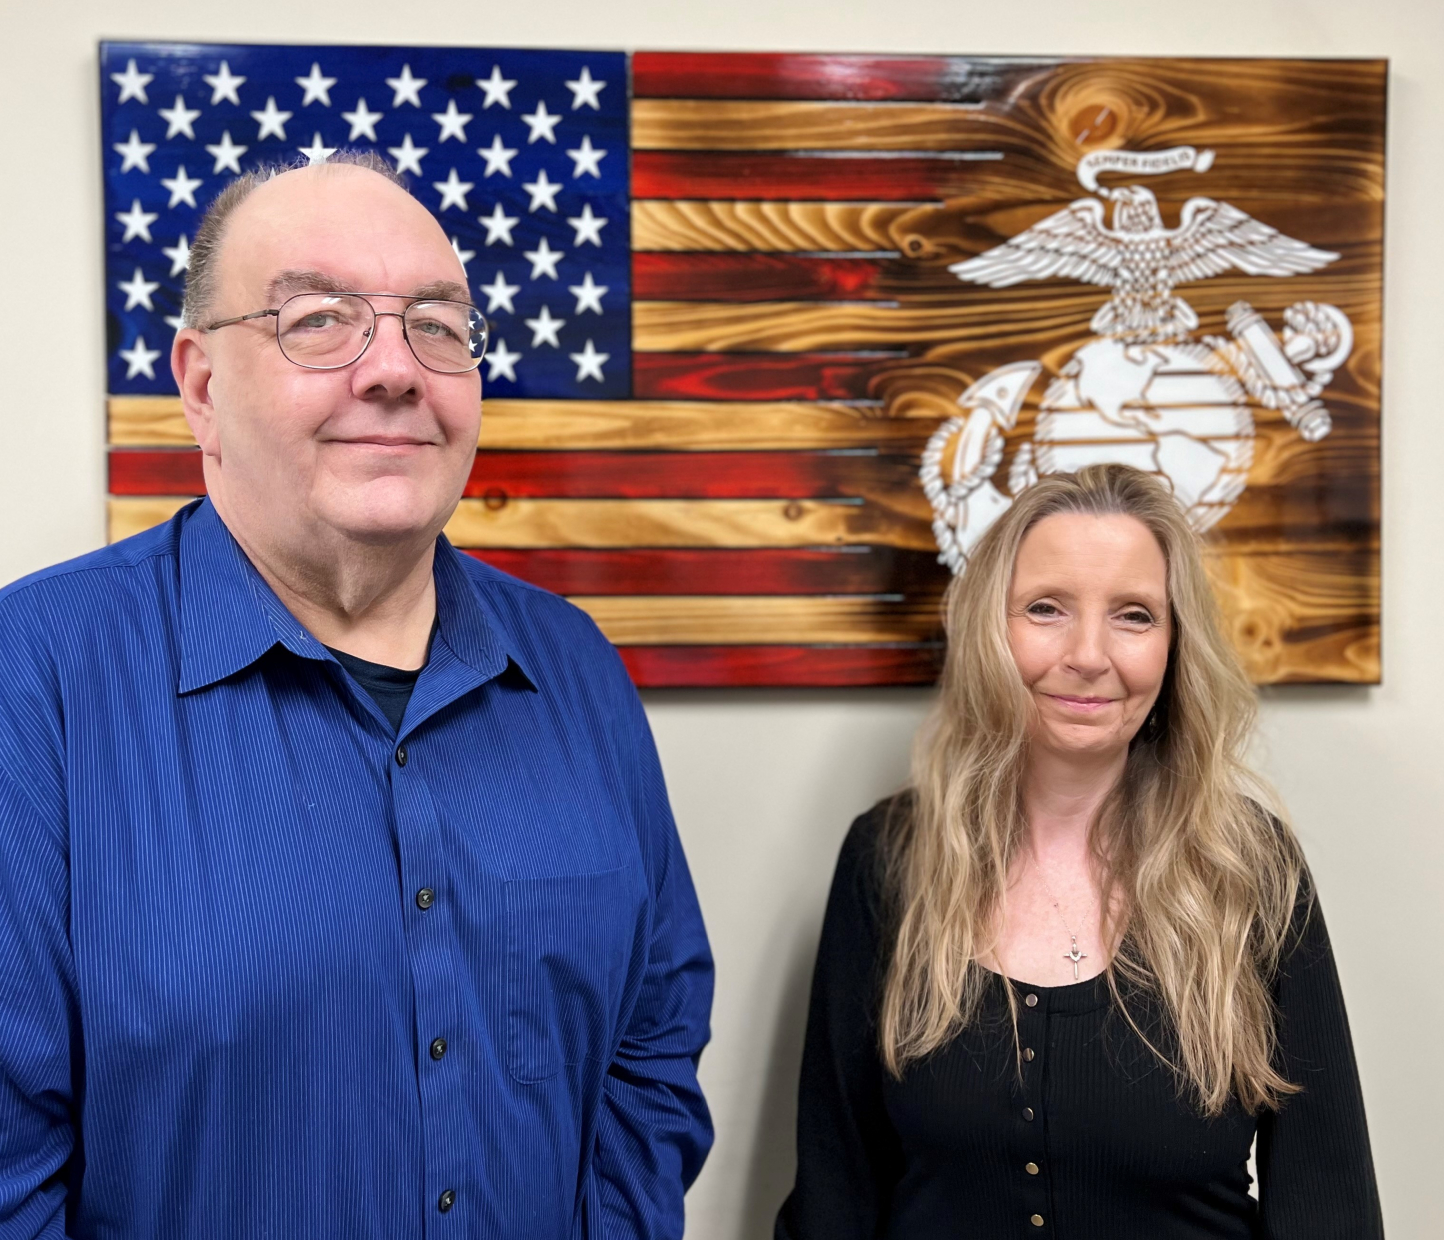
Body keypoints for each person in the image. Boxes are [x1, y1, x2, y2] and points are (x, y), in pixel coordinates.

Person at [0, 154, 713, 1239]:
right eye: (318, 320)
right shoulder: (39, 676)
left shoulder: (571, 666)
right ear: (199, 384)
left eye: (437, 322)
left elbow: (651, 1040)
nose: (395, 370)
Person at [777, 464, 1382, 1239]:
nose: (1088, 654)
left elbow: (1330, 1205)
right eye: (1046, 609)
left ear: (1174, 646)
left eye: (1133, 615)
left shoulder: (1251, 868)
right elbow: (837, 1193)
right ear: (991, 628)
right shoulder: (888, 859)